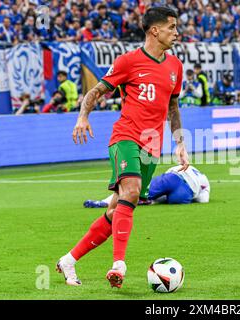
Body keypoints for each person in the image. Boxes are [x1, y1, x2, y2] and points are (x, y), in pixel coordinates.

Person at [56, 6, 189, 289]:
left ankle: (69, 259)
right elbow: (96, 91)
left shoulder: (175, 66)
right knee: (130, 191)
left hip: (152, 146)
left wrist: (180, 144)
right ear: (155, 30)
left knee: (118, 208)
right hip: (126, 137)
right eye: (172, 27)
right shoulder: (128, 62)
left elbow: (173, 106)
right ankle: (119, 264)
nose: (177, 33)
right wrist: (83, 117)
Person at [84, 165, 210, 208]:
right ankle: (150, 201)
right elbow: (204, 200)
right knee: (167, 199)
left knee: (139, 189)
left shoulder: (189, 168)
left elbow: (169, 173)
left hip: (173, 177)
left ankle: (103, 203)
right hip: (186, 193)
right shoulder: (204, 181)